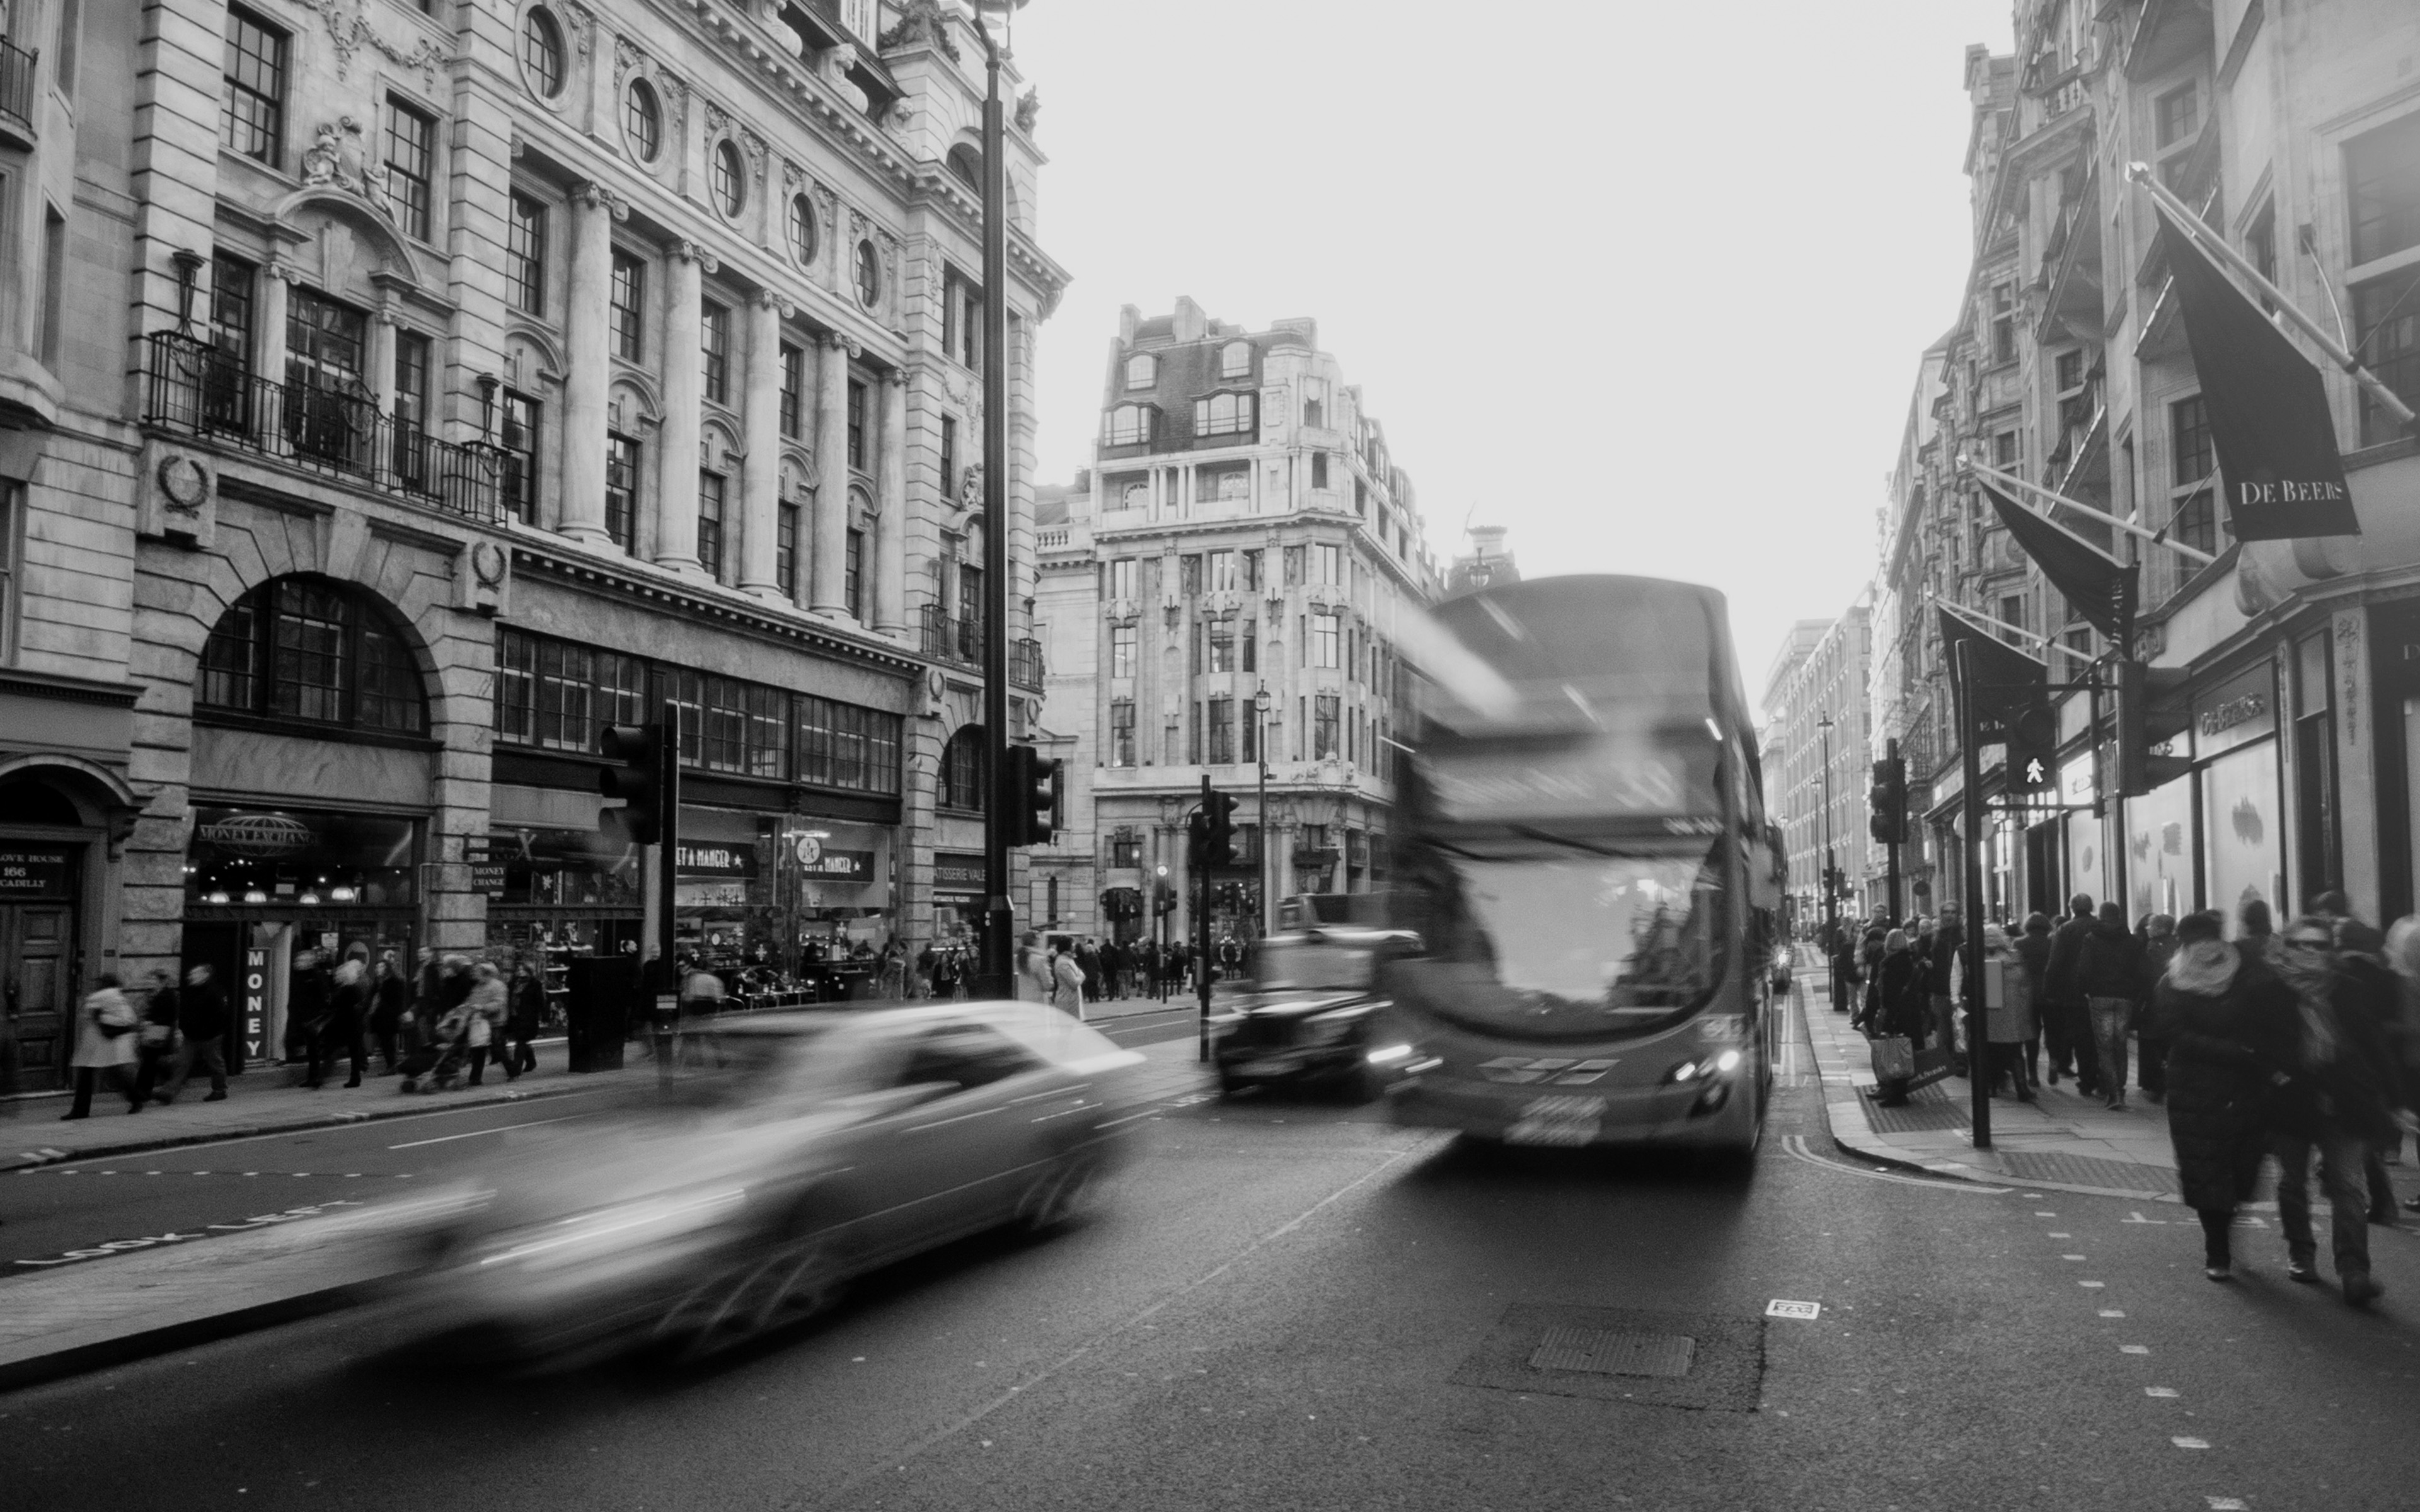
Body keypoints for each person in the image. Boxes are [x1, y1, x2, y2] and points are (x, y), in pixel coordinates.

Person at [2151, 910, 2300, 1282]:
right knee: (2205, 1169)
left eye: (2211, 942)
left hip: (2245, 1087)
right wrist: (2237, 1051)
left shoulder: (2248, 973)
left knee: (2242, 1165)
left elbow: (2271, 1018)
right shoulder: (2171, 983)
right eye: (2196, 944)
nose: (2205, 951)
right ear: (2185, 947)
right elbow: (2174, 1033)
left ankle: (2225, 1232)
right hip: (2195, 1091)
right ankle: (2216, 1248)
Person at [2269, 914, 2397, 1306]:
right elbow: (2255, 1043)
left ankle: (2355, 1271)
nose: (2310, 952)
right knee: (2292, 1183)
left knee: (2348, 1186)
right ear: (2287, 947)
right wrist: (2276, 1076)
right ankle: (2301, 1252)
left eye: (2320, 945)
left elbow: (2374, 1043)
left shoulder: (2348, 989)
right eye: (2301, 944)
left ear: (2331, 952)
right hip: (2290, 1102)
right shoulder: (2269, 991)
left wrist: (2397, 1097)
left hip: (2343, 1102)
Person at [2329, 917, 2407, 1224]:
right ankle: (2381, 1202)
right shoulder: (2387, 976)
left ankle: (2378, 1200)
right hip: (2382, 1060)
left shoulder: (2337, 976)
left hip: (2347, 1063)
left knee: (2353, 1135)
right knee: (2365, 1133)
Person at [2077, 900, 2144, 1111]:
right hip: (2125, 997)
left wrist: (2086, 991)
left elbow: (2085, 969)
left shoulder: (2091, 938)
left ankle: (2113, 1093)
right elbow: (2141, 971)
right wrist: (2134, 993)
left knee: (2105, 1047)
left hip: (2100, 997)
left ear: (2101, 915)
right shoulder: (2132, 941)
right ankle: (2120, 1089)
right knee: (2120, 1044)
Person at [62, 974, 142, 1120]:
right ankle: (136, 1098)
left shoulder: (100, 996)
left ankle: (80, 1111)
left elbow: (86, 1013)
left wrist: (100, 1017)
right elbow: (131, 1019)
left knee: (86, 1075)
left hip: (99, 1039)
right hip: (112, 1040)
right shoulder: (120, 997)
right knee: (115, 1073)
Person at [2044, 895, 2097, 1094]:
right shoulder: (2100, 926)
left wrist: (2049, 990)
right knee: (2096, 1036)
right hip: (2098, 989)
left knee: (2080, 1036)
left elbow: (2055, 962)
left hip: (2072, 992)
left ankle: (2087, 1080)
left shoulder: (2066, 929)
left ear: (2072, 908)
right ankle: (2097, 1075)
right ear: (2091, 907)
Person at [1868, 929, 1928, 1106]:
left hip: (1898, 1014)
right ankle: (1895, 1091)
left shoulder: (1893, 963)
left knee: (1896, 1054)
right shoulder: (1906, 960)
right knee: (1901, 1052)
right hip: (1908, 1014)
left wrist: (1887, 1019)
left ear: (1889, 943)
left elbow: (1891, 994)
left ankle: (1898, 1095)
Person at [156, 963, 229, 1104]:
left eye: (194, 974)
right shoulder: (193, 991)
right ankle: (168, 1093)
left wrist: (207, 1031)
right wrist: (183, 1029)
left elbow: (220, 1016)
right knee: (181, 1063)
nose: (190, 976)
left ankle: (219, 1090)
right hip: (191, 1037)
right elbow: (186, 1012)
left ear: (205, 975)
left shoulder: (215, 992)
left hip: (210, 1037)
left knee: (215, 1063)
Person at [1980, 925, 2036, 1101]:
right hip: (2014, 1012)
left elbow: (1982, 991)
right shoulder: (2015, 957)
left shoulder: (1985, 961)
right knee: (2015, 1052)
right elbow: (2026, 985)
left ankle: (1991, 1087)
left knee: (1991, 1051)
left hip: (1993, 1012)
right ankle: (2022, 1088)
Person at [309, 945, 371, 1089]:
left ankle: (322, 1078)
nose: (338, 976)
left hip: (343, 1026)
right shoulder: (354, 989)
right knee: (353, 1053)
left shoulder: (345, 990)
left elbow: (336, 1007)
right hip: (353, 1025)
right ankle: (355, 1078)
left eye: (341, 974)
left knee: (332, 1052)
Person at [2136, 914, 2179, 1105]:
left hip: (2155, 1000)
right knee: (2167, 1043)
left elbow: (2147, 976)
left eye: (2151, 925)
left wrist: (2141, 1001)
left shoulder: (2152, 947)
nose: (2148, 928)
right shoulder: (2177, 945)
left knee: (2150, 1041)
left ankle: (2154, 1083)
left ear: (2161, 928)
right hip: (2174, 1000)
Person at [130, 968, 182, 1106]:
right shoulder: (156, 994)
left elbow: (170, 1015)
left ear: (161, 981)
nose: (149, 982)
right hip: (155, 1032)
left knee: (149, 1062)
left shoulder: (168, 995)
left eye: (152, 979)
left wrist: (153, 1022)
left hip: (161, 1033)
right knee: (151, 1062)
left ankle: (144, 1091)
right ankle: (147, 1091)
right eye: (149, 979)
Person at [463, 961, 509, 1087]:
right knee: (478, 1050)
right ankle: (475, 1079)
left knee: (498, 1049)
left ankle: (512, 1070)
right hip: (481, 1022)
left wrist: (483, 1007)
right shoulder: (477, 987)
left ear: (485, 973)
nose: (474, 974)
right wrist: (466, 1007)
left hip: (496, 1022)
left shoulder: (498, 986)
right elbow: (470, 1000)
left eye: (477, 972)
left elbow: (499, 1003)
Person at [369, 949, 409, 1073]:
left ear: (387, 968)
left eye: (381, 967)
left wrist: (397, 1014)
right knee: (385, 1041)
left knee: (388, 1042)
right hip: (380, 1016)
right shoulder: (379, 981)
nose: (378, 969)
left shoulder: (395, 981)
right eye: (377, 967)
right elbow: (370, 995)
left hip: (390, 1016)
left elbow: (398, 1000)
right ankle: (391, 1065)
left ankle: (391, 1066)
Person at [505, 960, 546, 1080]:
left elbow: (540, 1001)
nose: (520, 972)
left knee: (521, 1043)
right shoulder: (513, 983)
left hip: (528, 1017)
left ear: (529, 972)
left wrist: (544, 1016)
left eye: (523, 970)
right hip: (514, 1017)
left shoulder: (535, 984)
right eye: (519, 970)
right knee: (521, 1041)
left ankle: (515, 1072)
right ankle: (531, 1062)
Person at [1051, 940, 1087, 1021]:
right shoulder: (1063, 962)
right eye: (1072, 943)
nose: (1074, 946)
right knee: (1066, 1030)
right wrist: (1081, 976)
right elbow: (1074, 983)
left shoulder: (1069, 959)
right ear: (1067, 946)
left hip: (1071, 1000)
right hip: (1067, 1001)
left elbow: (1078, 972)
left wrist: (1079, 974)